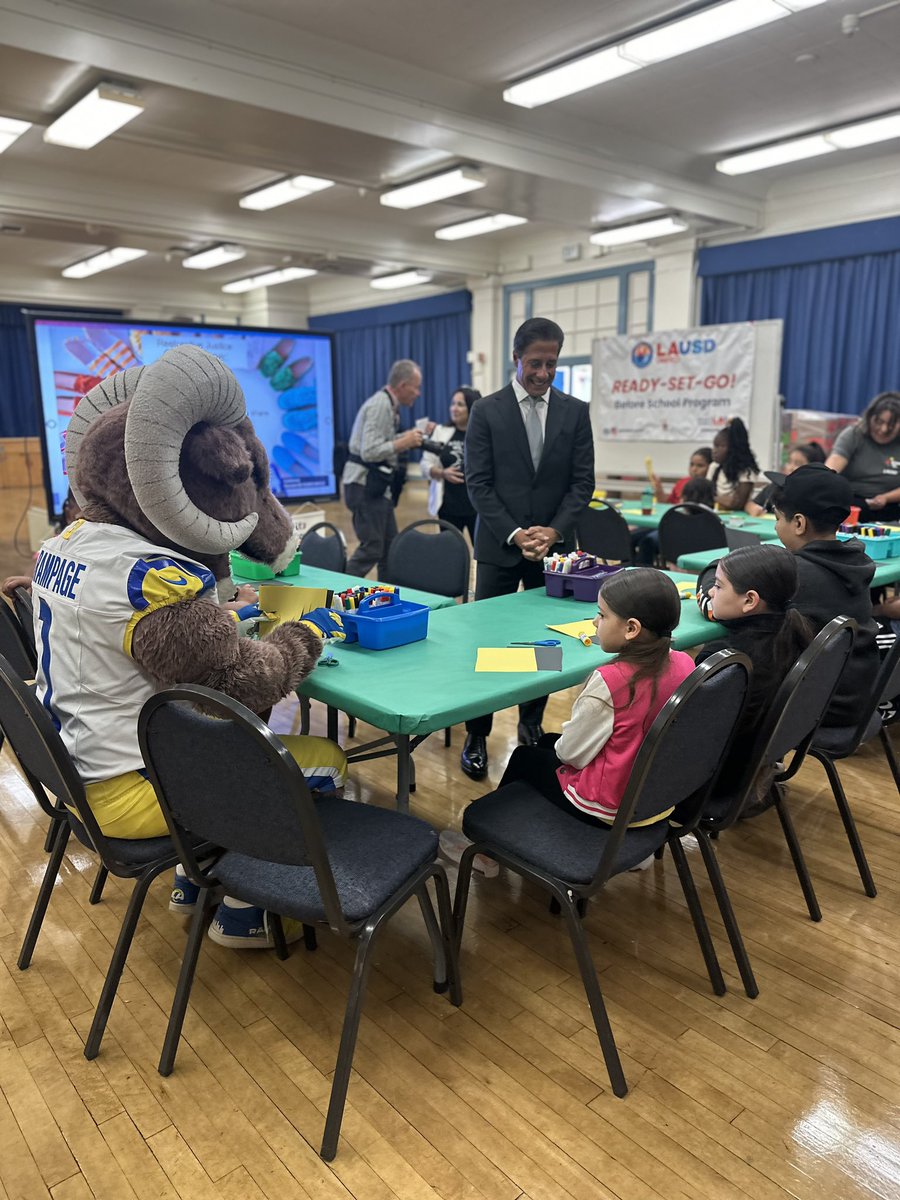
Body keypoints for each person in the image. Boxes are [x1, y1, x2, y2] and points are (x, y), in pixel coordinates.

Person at [460, 317, 595, 780]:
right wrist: (517, 533)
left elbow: (582, 483)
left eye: (552, 364)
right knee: (489, 643)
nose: (543, 372)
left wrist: (553, 532)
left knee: (544, 643)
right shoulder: (487, 411)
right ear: (515, 358)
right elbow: (478, 483)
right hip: (500, 547)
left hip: (555, 553)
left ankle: (531, 725)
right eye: (535, 363)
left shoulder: (575, 412)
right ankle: (477, 732)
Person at [495, 569, 694, 825]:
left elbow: (570, 755)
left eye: (602, 615)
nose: (594, 623)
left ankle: (491, 846)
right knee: (545, 742)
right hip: (656, 797)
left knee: (524, 757)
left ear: (631, 628)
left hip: (608, 808)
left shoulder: (610, 682)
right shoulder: (685, 663)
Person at [696, 545, 814, 807]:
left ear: (750, 601)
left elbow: (683, 730)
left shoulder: (726, 660)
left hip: (708, 784)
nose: (711, 593)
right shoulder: (794, 633)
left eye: (718, 586)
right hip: (750, 770)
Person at [764, 463, 879, 726]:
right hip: (855, 698)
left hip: (817, 708)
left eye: (777, 518)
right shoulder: (855, 560)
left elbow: (727, 584)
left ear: (799, 523)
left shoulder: (795, 574)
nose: (775, 528)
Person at [341, 360, 424, 578]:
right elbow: (370, 450)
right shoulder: (381, 405)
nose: (418, 393)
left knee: (390, 548)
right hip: (365, 485)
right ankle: (334, 592)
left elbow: (380, 442)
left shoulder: (389, 404)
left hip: (376, 488)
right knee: (373, 548)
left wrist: (407, 436)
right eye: (416, 387)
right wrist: (405, 442)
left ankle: (387, 599)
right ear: (403, 385)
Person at [826, 392, 900, 524]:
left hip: (891, 508)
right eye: (879, 422)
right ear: (869, 417)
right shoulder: (854, 435)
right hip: (852, 505)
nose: (883, 429)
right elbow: (829, 472)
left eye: (891, 425)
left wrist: (886, 498)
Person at [421, 386, 481, 541]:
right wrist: (442, 473)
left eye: (460, 404)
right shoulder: (440, 432)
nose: (454, 408)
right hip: (448, 506)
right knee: (451, 552)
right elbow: (425, 465)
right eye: (453, 403)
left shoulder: (482, 434)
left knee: (483, 552)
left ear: (471, 407)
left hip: (478, 507)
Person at [634, 448, 713, 565]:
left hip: (687, 530)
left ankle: (643, 572)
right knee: (633, 536)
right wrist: (659, 489)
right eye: (691, 464)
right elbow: (668, 503)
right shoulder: (682, 482)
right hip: (672, 522)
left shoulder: (710, 486)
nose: (694, 469)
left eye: (700, 466)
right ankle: (628, 567)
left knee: (648, 541)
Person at [747, 441, 826, 515]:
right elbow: (751, 504)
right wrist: (754, 509)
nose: (790, 467)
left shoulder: (816, 495)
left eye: (798, 464)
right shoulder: (775, 487)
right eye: (789, 461)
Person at [708, 418, 759, 512]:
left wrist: (714, 498)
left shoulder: (746, 471)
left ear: (734, 448)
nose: (714, 451)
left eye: (720, 446)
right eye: (714, 446)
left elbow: (737, 503)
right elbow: (705, 496)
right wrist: (722, 499)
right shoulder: (713, 467)